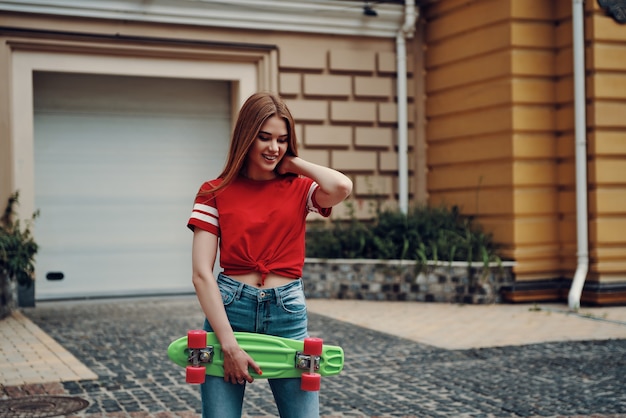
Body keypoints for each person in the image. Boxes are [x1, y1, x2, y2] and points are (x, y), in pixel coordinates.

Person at [187, 92, 353, 418]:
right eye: (264, 137)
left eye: (281, 139)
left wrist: (292, 162)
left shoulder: (299, 187)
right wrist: (229, 346)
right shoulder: (213, 191)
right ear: (246, 137)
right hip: (230, 310)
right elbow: (201, 274)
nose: (273, 147)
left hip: (286, 311)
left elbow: (341, 187)